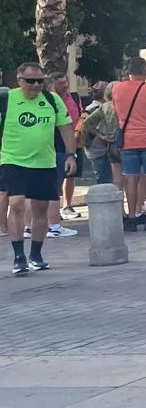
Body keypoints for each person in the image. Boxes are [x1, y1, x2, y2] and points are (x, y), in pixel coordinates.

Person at [2, 62, 75, 275]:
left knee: (41, 209)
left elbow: (66, 129)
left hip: (45, 162)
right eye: (30, 81)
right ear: (19, 81)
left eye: (40, 81)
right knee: (16, 204)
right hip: (13, 160)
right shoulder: (7, 100)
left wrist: (71, 155)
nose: (36, 85)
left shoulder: (52, 100)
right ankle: (18, 256)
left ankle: (35, 254)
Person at [109, 57, 146, 231]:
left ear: (128, 72)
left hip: (128, 140)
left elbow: (117, 112)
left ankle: (131, 216)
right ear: (145, 71)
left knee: (130, 179)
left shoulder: (117, 89)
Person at [49, 74, 83, 229]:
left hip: (75, 140)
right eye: (60, 83)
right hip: (57, 141)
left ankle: (67, 206)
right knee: (56, 176)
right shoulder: (50, 99)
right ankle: (53, 212)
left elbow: (81, 116)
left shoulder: (74, 97)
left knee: (71, 174)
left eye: (65, 82)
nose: (65, 85)